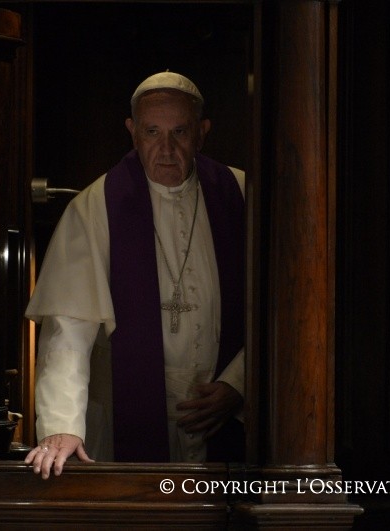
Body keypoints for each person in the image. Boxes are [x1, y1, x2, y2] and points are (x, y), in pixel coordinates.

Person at [24, 72, 246, 479]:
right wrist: (61, 426)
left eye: (180, 132)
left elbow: (282, 311)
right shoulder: (96, 207)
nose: (166, 148)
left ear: (202, 133)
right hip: (129, 414)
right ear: (133, 132)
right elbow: (68, 329)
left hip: (226, 413)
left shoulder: (241, 194)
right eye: (152, 132)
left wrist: (240, 384)